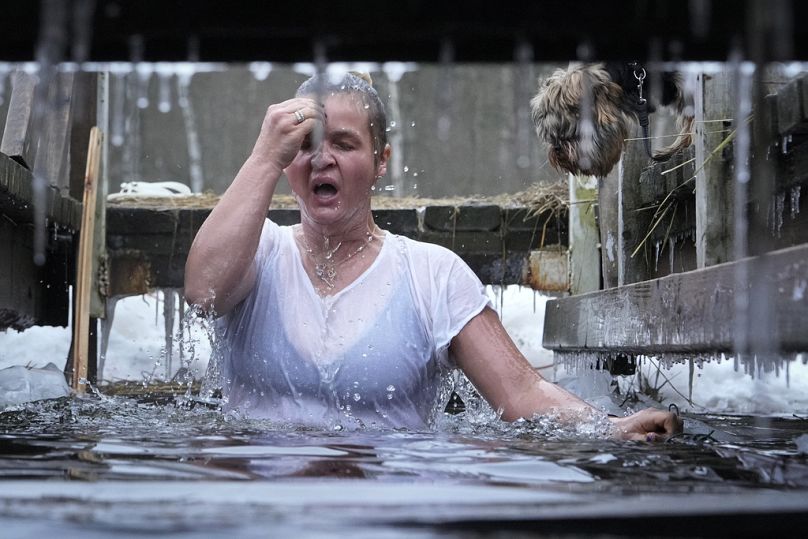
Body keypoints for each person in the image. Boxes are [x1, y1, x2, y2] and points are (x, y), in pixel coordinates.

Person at [184, 72, 682, 440]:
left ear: (382, 161)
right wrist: (262, 157)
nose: (321, 158)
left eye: (343, 143)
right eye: (304, 145)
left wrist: (610, 428)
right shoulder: (260, 250)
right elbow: (203, 292)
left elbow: (520, 394)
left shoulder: (431, 274)